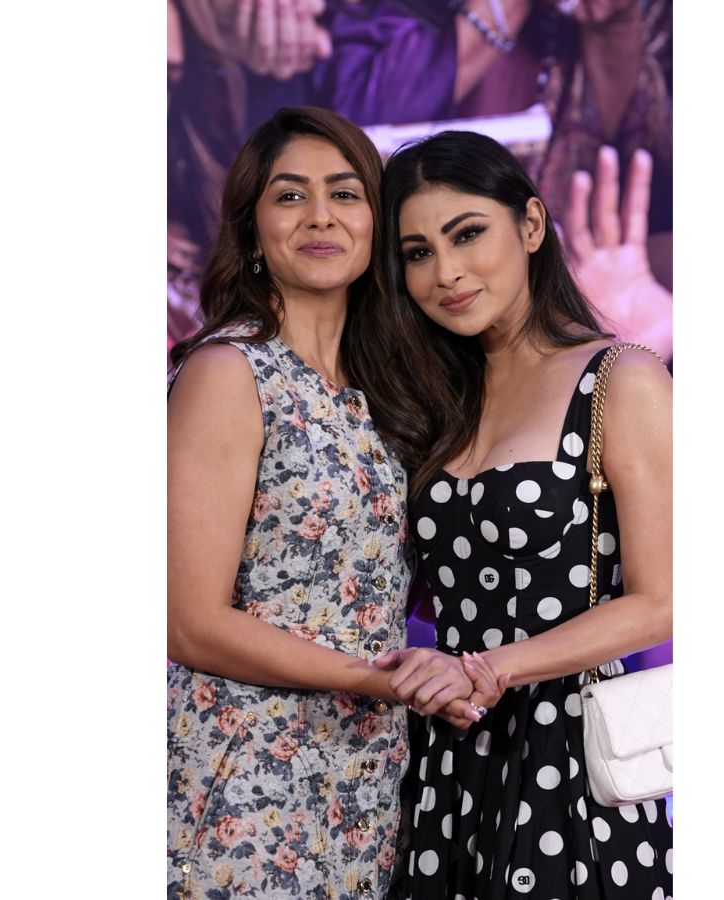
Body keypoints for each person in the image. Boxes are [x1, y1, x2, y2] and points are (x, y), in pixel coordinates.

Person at [166, 107, 501, 899]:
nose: (320, 216)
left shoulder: (391, 391)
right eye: (290, 196)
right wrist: (377, 678)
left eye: (345, 194)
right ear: (253, 230)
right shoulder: (229, 372)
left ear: (374, 225)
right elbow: (188, 621)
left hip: (366, 771)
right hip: (246, 769)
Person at [375, 130, 673, 897]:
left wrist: (493, 669)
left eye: (467, 233)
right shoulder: (434, 399)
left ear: (532, 225)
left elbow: (660, 601)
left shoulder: (621, 377)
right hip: (446, 754)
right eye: (417, 252)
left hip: (571, 750)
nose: (446, 272)